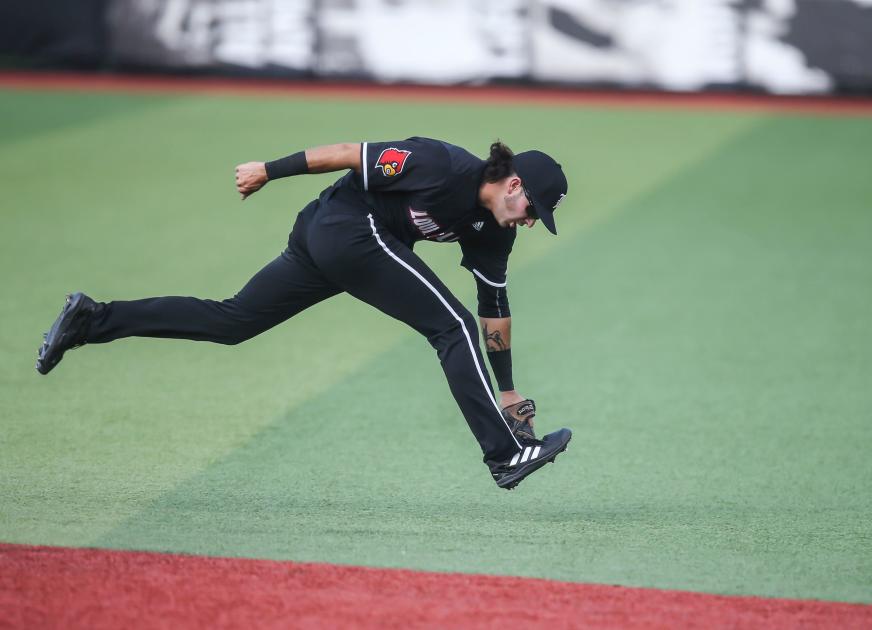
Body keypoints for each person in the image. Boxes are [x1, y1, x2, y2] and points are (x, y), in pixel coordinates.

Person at [35, 137, 572, 490]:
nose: (530, 222)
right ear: (513, 184)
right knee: (449, 327)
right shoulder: (440, 164)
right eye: (533, 211)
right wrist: (269, 170)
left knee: (233, 322)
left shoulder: (492, 233)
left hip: (343, 245)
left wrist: (506, 389)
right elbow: (348, 153)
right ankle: (504, 456)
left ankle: (92, 320)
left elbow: (493, 309)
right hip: (340, 225)